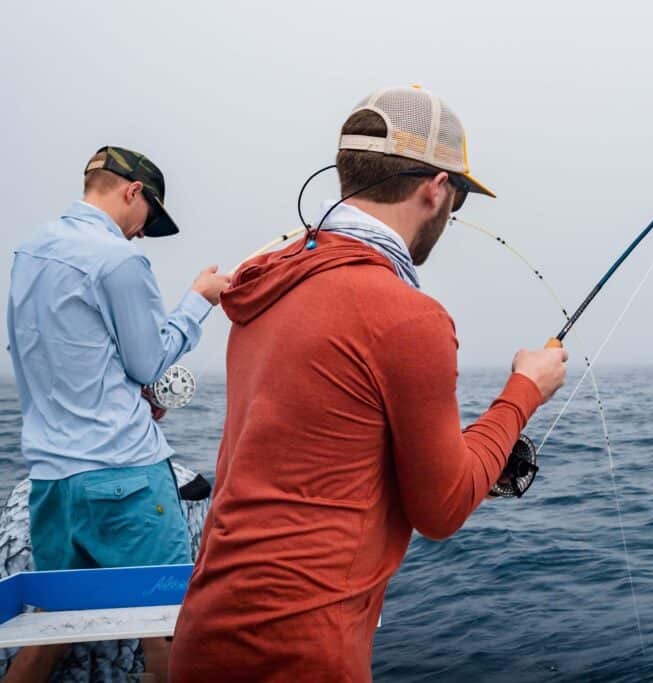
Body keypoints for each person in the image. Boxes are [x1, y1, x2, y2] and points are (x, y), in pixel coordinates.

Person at [169, 86, 568, 682]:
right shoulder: (408, 317)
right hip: (302, 655)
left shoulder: (264, 288)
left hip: (203, 636)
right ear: (435, 188)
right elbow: (443, 507)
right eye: (456, 200)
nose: (451, 216)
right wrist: (524, 391)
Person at [4, 146, 231, 682]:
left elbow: (51, 355)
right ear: (133, 192)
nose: (141, 235)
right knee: (172, 628)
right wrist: (200, 299)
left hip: (53, 485)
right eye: (148, 220)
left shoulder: (30, 252)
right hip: (126, 478)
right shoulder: (119, 258)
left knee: (51, 633)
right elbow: (150, 358)